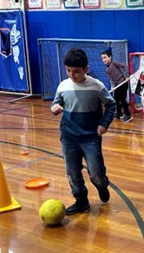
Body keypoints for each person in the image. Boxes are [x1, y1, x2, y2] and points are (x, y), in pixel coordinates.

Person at [51, 48, 116, 214]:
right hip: (68, 137)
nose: (72, 75)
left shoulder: (96, 86)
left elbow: (111, 104)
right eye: (68, 71)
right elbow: (56, 103)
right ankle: (81, 199)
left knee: (95, 172)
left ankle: (102, 185)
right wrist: (55, 108)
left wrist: (104, 124)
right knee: (72, 171)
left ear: (86, 69)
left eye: (76, 71)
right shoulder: (63, 86)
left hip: (90, 138)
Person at [101, 49, 132, 122]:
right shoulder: (107, 69)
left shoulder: (114, 63)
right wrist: (113, 86)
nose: (103, 59)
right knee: (116, 100)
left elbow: (125, 66)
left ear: (110, 57)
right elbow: (111, 79)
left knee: (122, 99)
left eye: (105, 57)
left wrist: (127, 76)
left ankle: (128, 115)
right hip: (117, 86)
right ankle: (119, 113)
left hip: (123, 83)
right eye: (102, 58)